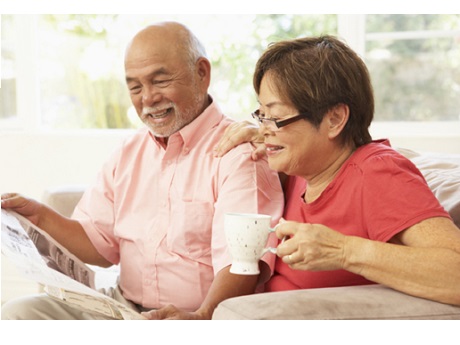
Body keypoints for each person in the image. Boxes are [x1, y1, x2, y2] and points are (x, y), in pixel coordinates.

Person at [1, 22, 284, 319]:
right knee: (20, 314)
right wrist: (39, 217)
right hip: (121, 308)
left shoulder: (239, 152)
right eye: (135, 87)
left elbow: (241, 263)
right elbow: (97, 244)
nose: (147, 98)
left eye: (159, 81)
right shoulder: (129, 152)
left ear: (202, 73)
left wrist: (202, 319)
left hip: (195, 316)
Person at [214, 35, 460, 306]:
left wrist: (343, 251)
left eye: (276, 115)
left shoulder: (377, 172)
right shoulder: (303, 168)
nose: (264, 127)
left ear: (334, 119)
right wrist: (265, 135)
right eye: (261, 114)